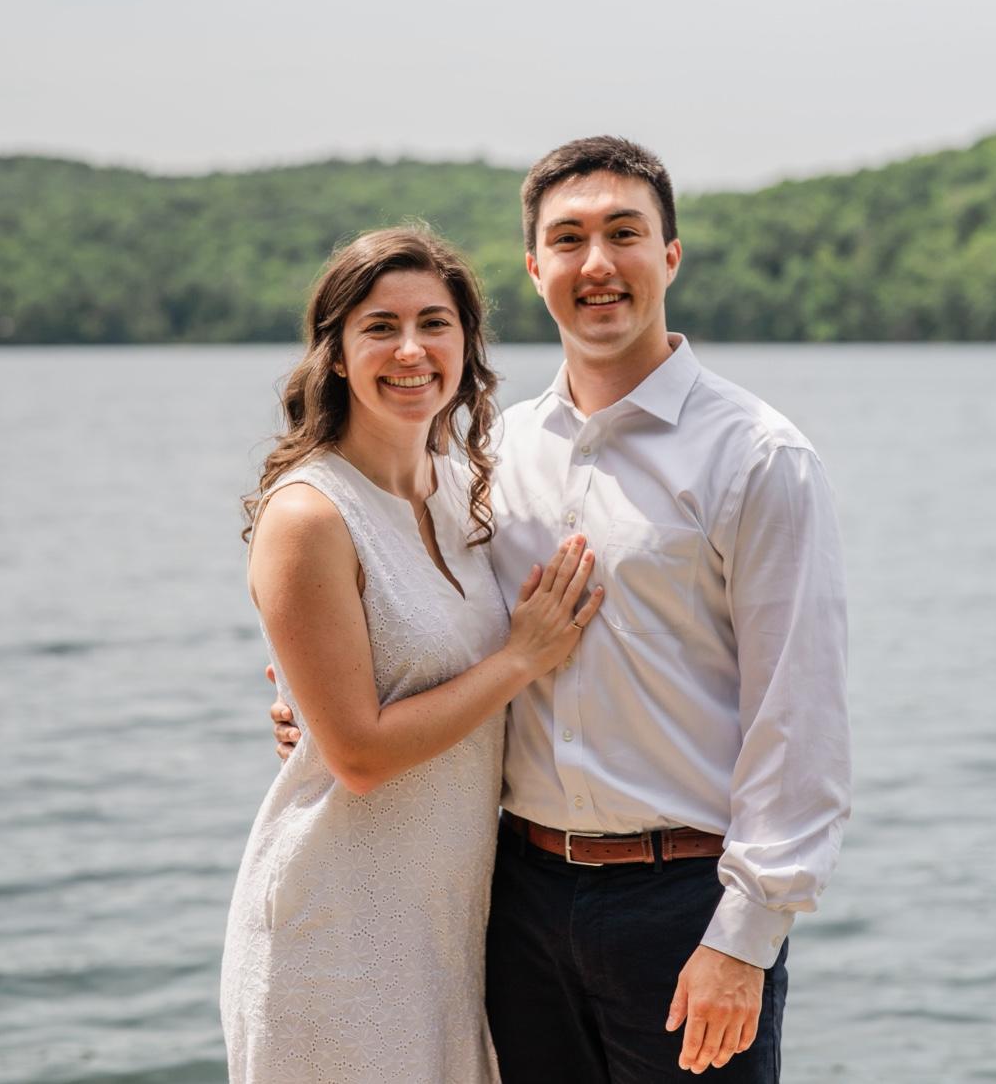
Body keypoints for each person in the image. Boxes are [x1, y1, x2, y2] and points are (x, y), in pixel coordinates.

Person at [273, 136, 851, 1082]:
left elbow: (802, 715)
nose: (597, 264)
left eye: (625, 233)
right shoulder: (489, 461)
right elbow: (427, 624)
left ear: (670, 256)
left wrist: (745, 938)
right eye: (568, 238)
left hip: (683, 903)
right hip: (513, 900)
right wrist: (327, 705)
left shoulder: (756, 458)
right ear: (534, 267)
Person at [222, 226, 604, 1083]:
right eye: (378, 327)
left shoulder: (463, 483)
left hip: (452, 925)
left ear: (467, 345)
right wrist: (520, 658)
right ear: (336, 353)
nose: (409, 349)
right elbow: (357, 755)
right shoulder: (310, 515)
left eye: (434, 322)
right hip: (336, 929)